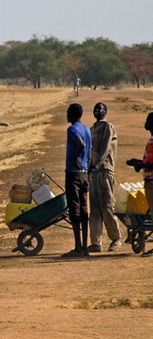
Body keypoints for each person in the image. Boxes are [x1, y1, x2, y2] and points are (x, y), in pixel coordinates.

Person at [88, 103, 122, 253]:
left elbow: (106, 148)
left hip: (104, 170)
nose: (97, 111)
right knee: (95, 208)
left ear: (105, 112)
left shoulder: (108, 127)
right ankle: (96, 242)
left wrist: (95, 164)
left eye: (100, 109)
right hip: (93, 173)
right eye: (95, 109)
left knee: (107, 206)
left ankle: (116, 239)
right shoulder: (92, 129)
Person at [63, 103, 92, 257]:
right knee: (84, 208)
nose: (67, 115)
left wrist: (75, 158)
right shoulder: (87, 129)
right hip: (84, 174)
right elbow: (90, 150)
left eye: (68, 113)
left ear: (73, 114)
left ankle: (78, 247)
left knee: (74, 208)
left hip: (73, 173)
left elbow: (81, 144)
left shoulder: (72, 129)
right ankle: (85, 248)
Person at [126, 112, 153, 257]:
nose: (146, 122)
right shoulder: (151, 139)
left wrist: (142, 164)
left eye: (149, 120)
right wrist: (138, 163)